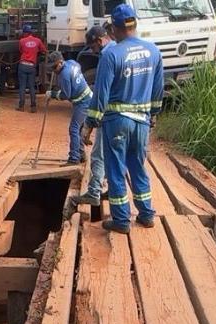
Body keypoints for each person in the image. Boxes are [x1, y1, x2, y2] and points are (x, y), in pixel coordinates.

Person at [85, 4, 164, 233]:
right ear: (135, 24)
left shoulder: (111, 54)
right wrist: (153, 115)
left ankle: (121, 221)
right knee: (138, 167)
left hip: (117, 122)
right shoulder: (153, 51)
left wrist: (89, 124)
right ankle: (146, 215)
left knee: (116, 170)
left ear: (114, 29)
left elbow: (100, 94)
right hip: (142, 122)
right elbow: (158, 90)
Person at [73, 24, 113, 207]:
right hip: (124, 115)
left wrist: (89, 123)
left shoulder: (107, 55)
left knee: (98, 154)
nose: (94, 51)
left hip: (109, 115)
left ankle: (94, 192)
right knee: (115, 155)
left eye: (93, 47)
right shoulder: (120, 49)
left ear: (99, 41)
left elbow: (100, 93)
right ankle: (114, 190)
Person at [46, 51, 92, 165]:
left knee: (74, 129)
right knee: (78, 129)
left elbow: (66, 95)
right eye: (52, 68)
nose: (54, 70)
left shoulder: (64, 76)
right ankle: (81, 154)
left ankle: (74, 158)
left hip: (83, 102)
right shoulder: (72, 62)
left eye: (54, 67)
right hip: (87, 98)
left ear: (61, 62)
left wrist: (52, 94)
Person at [17, 24, 47, 113]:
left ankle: (21, 106)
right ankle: (33, 107)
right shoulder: (38, 41)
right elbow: (44, 50)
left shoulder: (22, 41)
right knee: (31, 87)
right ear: (31, 32)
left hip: (23, 65)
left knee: (22, 86)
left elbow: (20, 50)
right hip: (31, 66)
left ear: (25, 33)